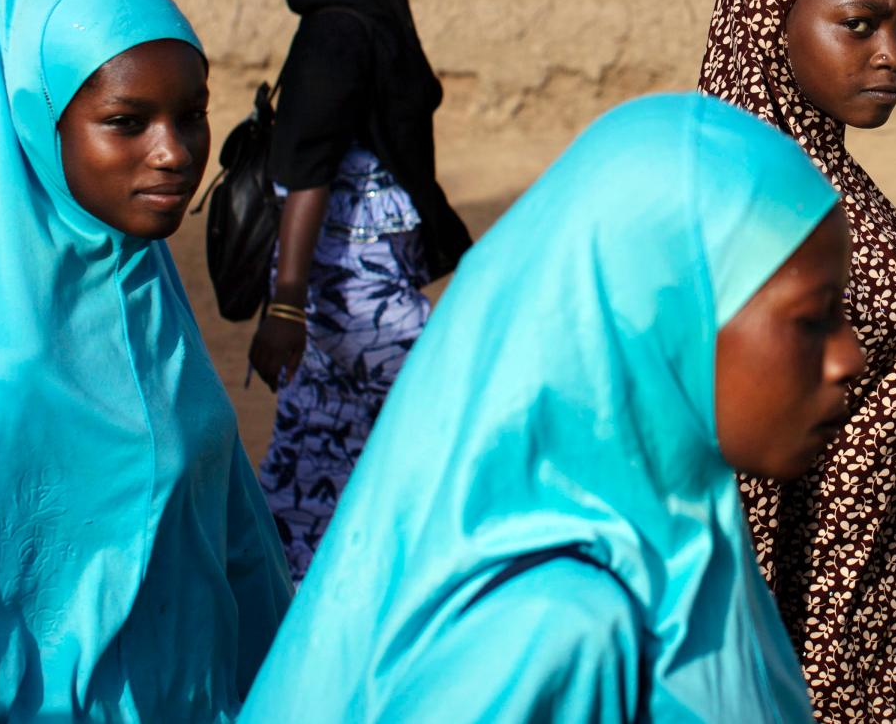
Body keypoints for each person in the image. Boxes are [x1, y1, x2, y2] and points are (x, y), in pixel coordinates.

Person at [239, 93, 863, 722]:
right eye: (814, 319)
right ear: (663, 321)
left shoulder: (690, 549)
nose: (850, 358)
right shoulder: (553, 632)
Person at [0, 0, 292, 721]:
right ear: (43, 124)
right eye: (128, 121)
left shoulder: (149, 305)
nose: (174, 151)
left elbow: (234, 549)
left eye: (191, 114)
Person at [699, 0, 896, 722]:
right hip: (812, 666)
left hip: (873, 645)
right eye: (860, 24)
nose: (893, 54)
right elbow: (744, 501)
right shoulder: (758, 213)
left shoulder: (818, 185)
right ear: (773, 21)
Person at [248, 0, 471, 582]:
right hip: (351, 295)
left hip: (356, 290)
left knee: (317, 461)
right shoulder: (339, 30)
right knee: (466, 394)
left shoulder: (371, 16)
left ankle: (282, 623)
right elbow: (304, 171)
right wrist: (285, 304)